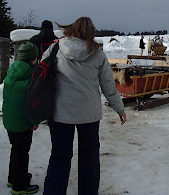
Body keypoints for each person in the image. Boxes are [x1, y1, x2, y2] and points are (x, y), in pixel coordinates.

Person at [42, 16, 127, 195]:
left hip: (60, 113)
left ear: (72, 29)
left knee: (59, 158)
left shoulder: (55, 48)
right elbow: (108, 87)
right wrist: (119, 108)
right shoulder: (97, 53)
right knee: (89, 159)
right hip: (89, 115)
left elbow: (42, 75)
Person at [2, 41, 41, 195]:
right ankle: (19, 186)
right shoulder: (29, 78)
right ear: (33, 58)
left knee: (16, 150)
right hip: (22, 124)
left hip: (10, 121)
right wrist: (34, 122)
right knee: (22, 153)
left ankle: (14, 177)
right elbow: (31, 104)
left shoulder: (12, 73)